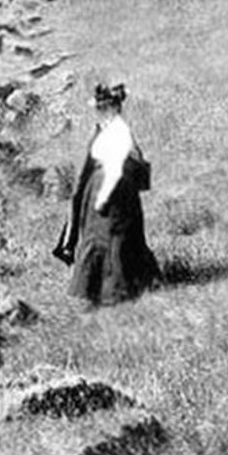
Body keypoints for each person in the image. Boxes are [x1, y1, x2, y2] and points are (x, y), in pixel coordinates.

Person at [53, 81, 160, 305]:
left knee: (112, 239)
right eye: (98, 108)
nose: (98, 112)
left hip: (113, 193)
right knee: (99, 238)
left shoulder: (120, 131)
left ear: (113, 108)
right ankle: (101, 289)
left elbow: (114, 168)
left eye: (102, 108)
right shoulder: (106, 129)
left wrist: (102, 198)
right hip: (101, 187)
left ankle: (117, 291)